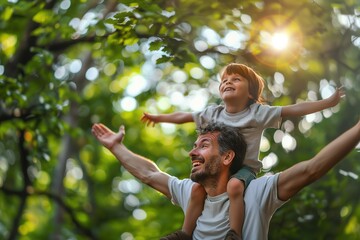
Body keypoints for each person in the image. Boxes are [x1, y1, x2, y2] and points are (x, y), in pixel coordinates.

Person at [140, 63, 345, 239]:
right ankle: (185, 234)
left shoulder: (257, 113)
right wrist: (159, 118)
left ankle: (234, 234)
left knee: (235, 185)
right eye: (224, 80)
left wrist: (328, 102)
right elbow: (183, 116)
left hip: (244, 169)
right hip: (220, 168)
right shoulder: (213, 113)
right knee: (196, 190)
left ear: (249, 93)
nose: (228, 82)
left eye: (236, 79)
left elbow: (294, 109)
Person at [91, 120, 360, 239]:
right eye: (195, 145)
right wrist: (116, 147)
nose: (192, 152)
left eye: (204, 145)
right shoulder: (191, 193)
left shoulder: (257, 193)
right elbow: (149, 173)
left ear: (228, 157)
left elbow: (313, 168)